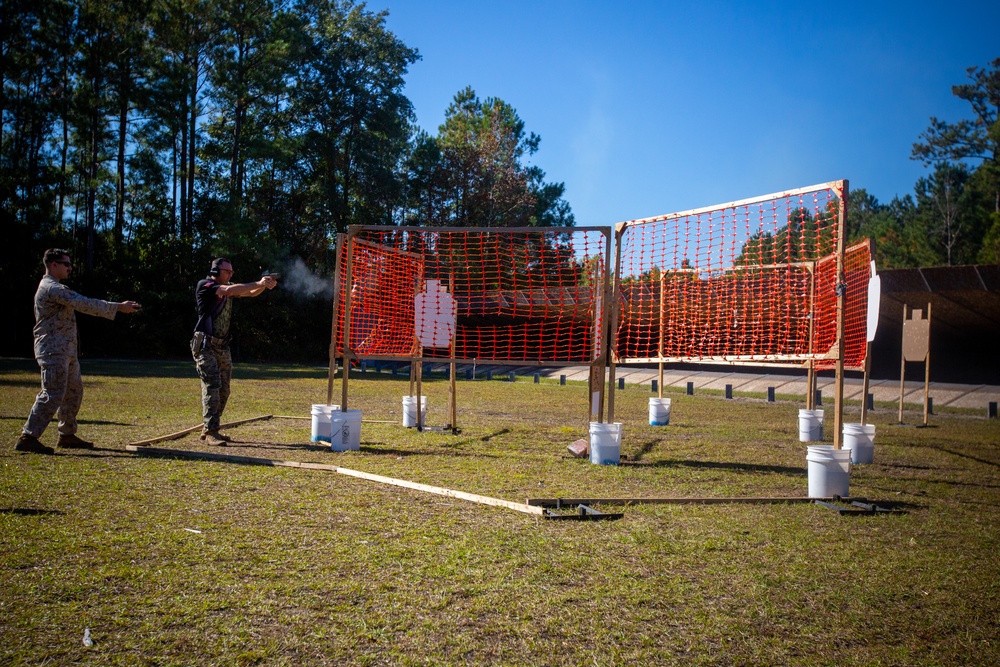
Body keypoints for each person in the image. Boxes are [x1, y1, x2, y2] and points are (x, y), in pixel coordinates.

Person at [15, 249, 142, 455]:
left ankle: (67, 434)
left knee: (73, 391)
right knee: (53, 393)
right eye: (66, 263)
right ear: (53, 265)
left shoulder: (56, 287)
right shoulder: (51, 288)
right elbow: (83, 303)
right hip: (53, 350)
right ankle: (28, 436)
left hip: (66, 349)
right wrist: (118, 307)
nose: (70, 267)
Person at [192, 258, 276, 446]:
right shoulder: (206, 285)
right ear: (215, 271)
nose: (230, 275)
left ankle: (210, 427)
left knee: (224, 390)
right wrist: (259, 282)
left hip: (222, 346)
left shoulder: (227, 286)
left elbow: (250, 293)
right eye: (227, 271)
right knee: (212, 386)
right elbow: (230, 290)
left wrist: (264, 285)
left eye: (231, 272)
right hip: (206, 345)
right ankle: (212, 431)